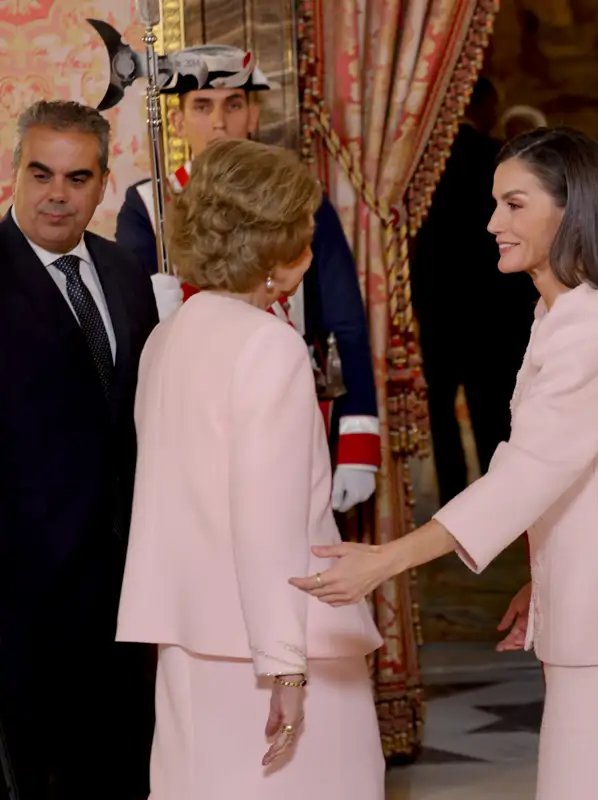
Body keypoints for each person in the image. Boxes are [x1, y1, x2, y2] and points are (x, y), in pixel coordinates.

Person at [290, 127, 598, 799]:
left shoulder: (588, 323)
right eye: (495, 204)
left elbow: (527, 474)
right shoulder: (559, 312)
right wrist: (545, 574)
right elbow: (572, 476)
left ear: (572, 212)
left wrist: (387, 560)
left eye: (513, 205)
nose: (492, 223)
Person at [115, 138, 385, 799]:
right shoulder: (270, 348)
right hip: (278, 647)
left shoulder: (166, 339)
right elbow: (266, 527)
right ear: (276, 245)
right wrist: (286, 671)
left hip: (188, 642)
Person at [114, 44, 381, 514]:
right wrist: (148, 310)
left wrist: (358, 439)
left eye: (233, 104)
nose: (218, 122)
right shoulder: (147, 205)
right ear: (176, 122)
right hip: (193, 413)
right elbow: (129, 336)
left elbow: (345, 318)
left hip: (285, 396)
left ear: (253, 113)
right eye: (201, 106)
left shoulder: (298, 197)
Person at [0, 100, 158, 799]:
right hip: (20, 598)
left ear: (102, 182)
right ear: (14, 175)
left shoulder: (125, 272)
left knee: (124, 764)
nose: (57, 194)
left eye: (76, 177)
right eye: (40, 175)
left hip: (127, 585)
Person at [412, 76, 539, 505]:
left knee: (442, 414)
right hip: (492, 311)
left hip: (436, 307)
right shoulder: (496, 161)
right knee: (491, 412)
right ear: (483, 107)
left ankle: (451, 498)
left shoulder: (419, 165)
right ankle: (495, 500)